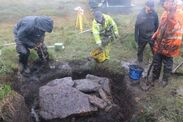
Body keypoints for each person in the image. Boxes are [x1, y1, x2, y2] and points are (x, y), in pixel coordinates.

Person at [150, 0, 183, 87]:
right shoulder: (165, 12)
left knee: (167, 64)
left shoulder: (179, 13)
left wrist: (171, 11)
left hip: (170, 45)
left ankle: (165, 80)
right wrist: (156, 34)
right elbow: (161, 26)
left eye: (163, 3)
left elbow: (172, 24)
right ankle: (155, 77)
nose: (162, 6)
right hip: (161, 42)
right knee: (157, 61)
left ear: (170, 2)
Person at [135, 0, 159, 65]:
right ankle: (139, 61)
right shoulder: (140, 14)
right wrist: (136, 36)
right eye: (149, 7)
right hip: (142, 36)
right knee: (140, 50)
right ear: (146, 6)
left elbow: (157, 25)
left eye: (152, 7)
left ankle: (155, 62)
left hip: (152, 36)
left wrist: (156, 36)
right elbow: (136, 26)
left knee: (154, 50)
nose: (151, 9)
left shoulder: (155, 14)